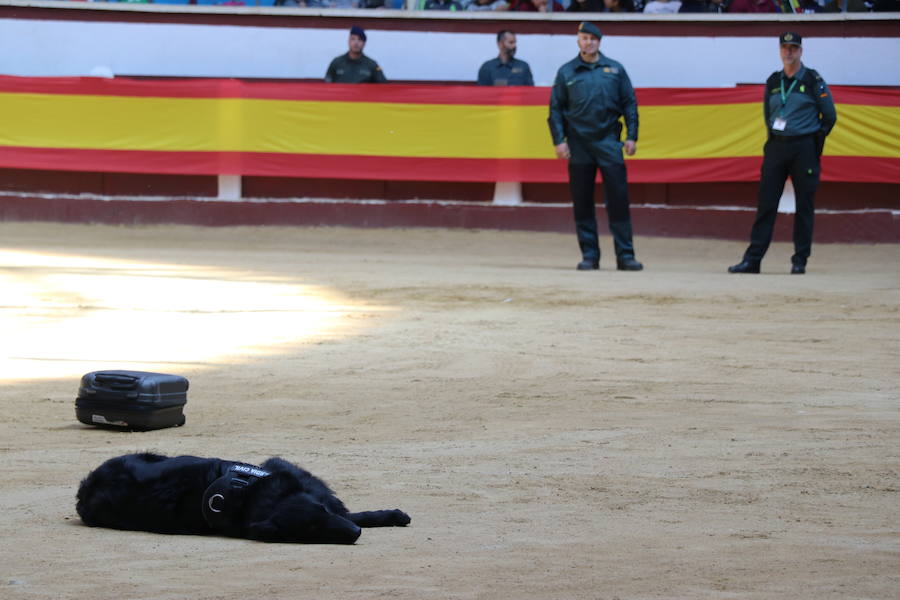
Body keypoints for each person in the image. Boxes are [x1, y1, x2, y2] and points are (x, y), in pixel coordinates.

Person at [728, 33, 837, 275]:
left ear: (801, 51)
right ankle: (753, 260)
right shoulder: (773, 80)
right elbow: (769, 115)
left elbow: (829, 116)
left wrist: (813, 143)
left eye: (793, 48)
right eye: (785, 48)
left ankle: (800, 260)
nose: (789, 52)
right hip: (777, 146)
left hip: (804, 147)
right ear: (779, 50)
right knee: (766, 203)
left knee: (804, 206)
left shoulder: (812, 79)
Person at [548, 22, 643, 272]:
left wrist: (632, 136)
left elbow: (629, 104)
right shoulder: (567, 72)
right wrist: (559, 140)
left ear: (600, 41)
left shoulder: (615, 69)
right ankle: (589, 256)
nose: (588, 42)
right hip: (578, 145)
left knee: (619, 200)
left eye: (592, 38)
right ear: (577, 41)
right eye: (583, 38)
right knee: (582, 201)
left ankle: (625, 256)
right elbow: (555, 110)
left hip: (610, 142)